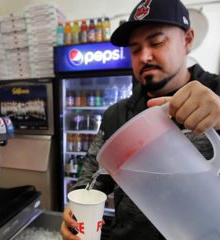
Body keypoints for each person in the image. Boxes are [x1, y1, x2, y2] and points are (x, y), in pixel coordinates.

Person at [60, 0, 220, 239]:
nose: (144, 56)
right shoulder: (117, 115)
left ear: (187, 40)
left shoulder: (216, 96)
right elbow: (94, 174)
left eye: (156, 42)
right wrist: (77, 209)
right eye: (135, 49)